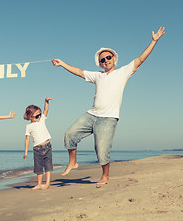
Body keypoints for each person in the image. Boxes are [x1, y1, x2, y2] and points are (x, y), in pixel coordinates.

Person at [52, 27, 165, 185]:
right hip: (91, 114)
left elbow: (140, 59)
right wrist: (62, 63)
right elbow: (78, 72)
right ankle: (73, 162)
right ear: (99, 63)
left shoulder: (123, 72)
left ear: (114, 58)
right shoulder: (97, 76)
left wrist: (153, 41)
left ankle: (105, 176)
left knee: (102, 150)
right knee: (70, 134)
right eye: (102, 60)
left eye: (108, 57)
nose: (105, 61)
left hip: (108, 118)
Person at [23, 97, 53, 190]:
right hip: (37, 149)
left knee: (48, 166)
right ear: (30, 117)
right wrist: (26, 152)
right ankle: (39, 184)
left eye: (39, 115)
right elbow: (27, 139)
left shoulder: (42, 120)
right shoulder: (29, 126)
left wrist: (46, 101)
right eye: (36, 116)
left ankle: (47, 184)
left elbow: (46, 109)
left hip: (47, 146)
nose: (39, 117)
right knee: (38, 168)